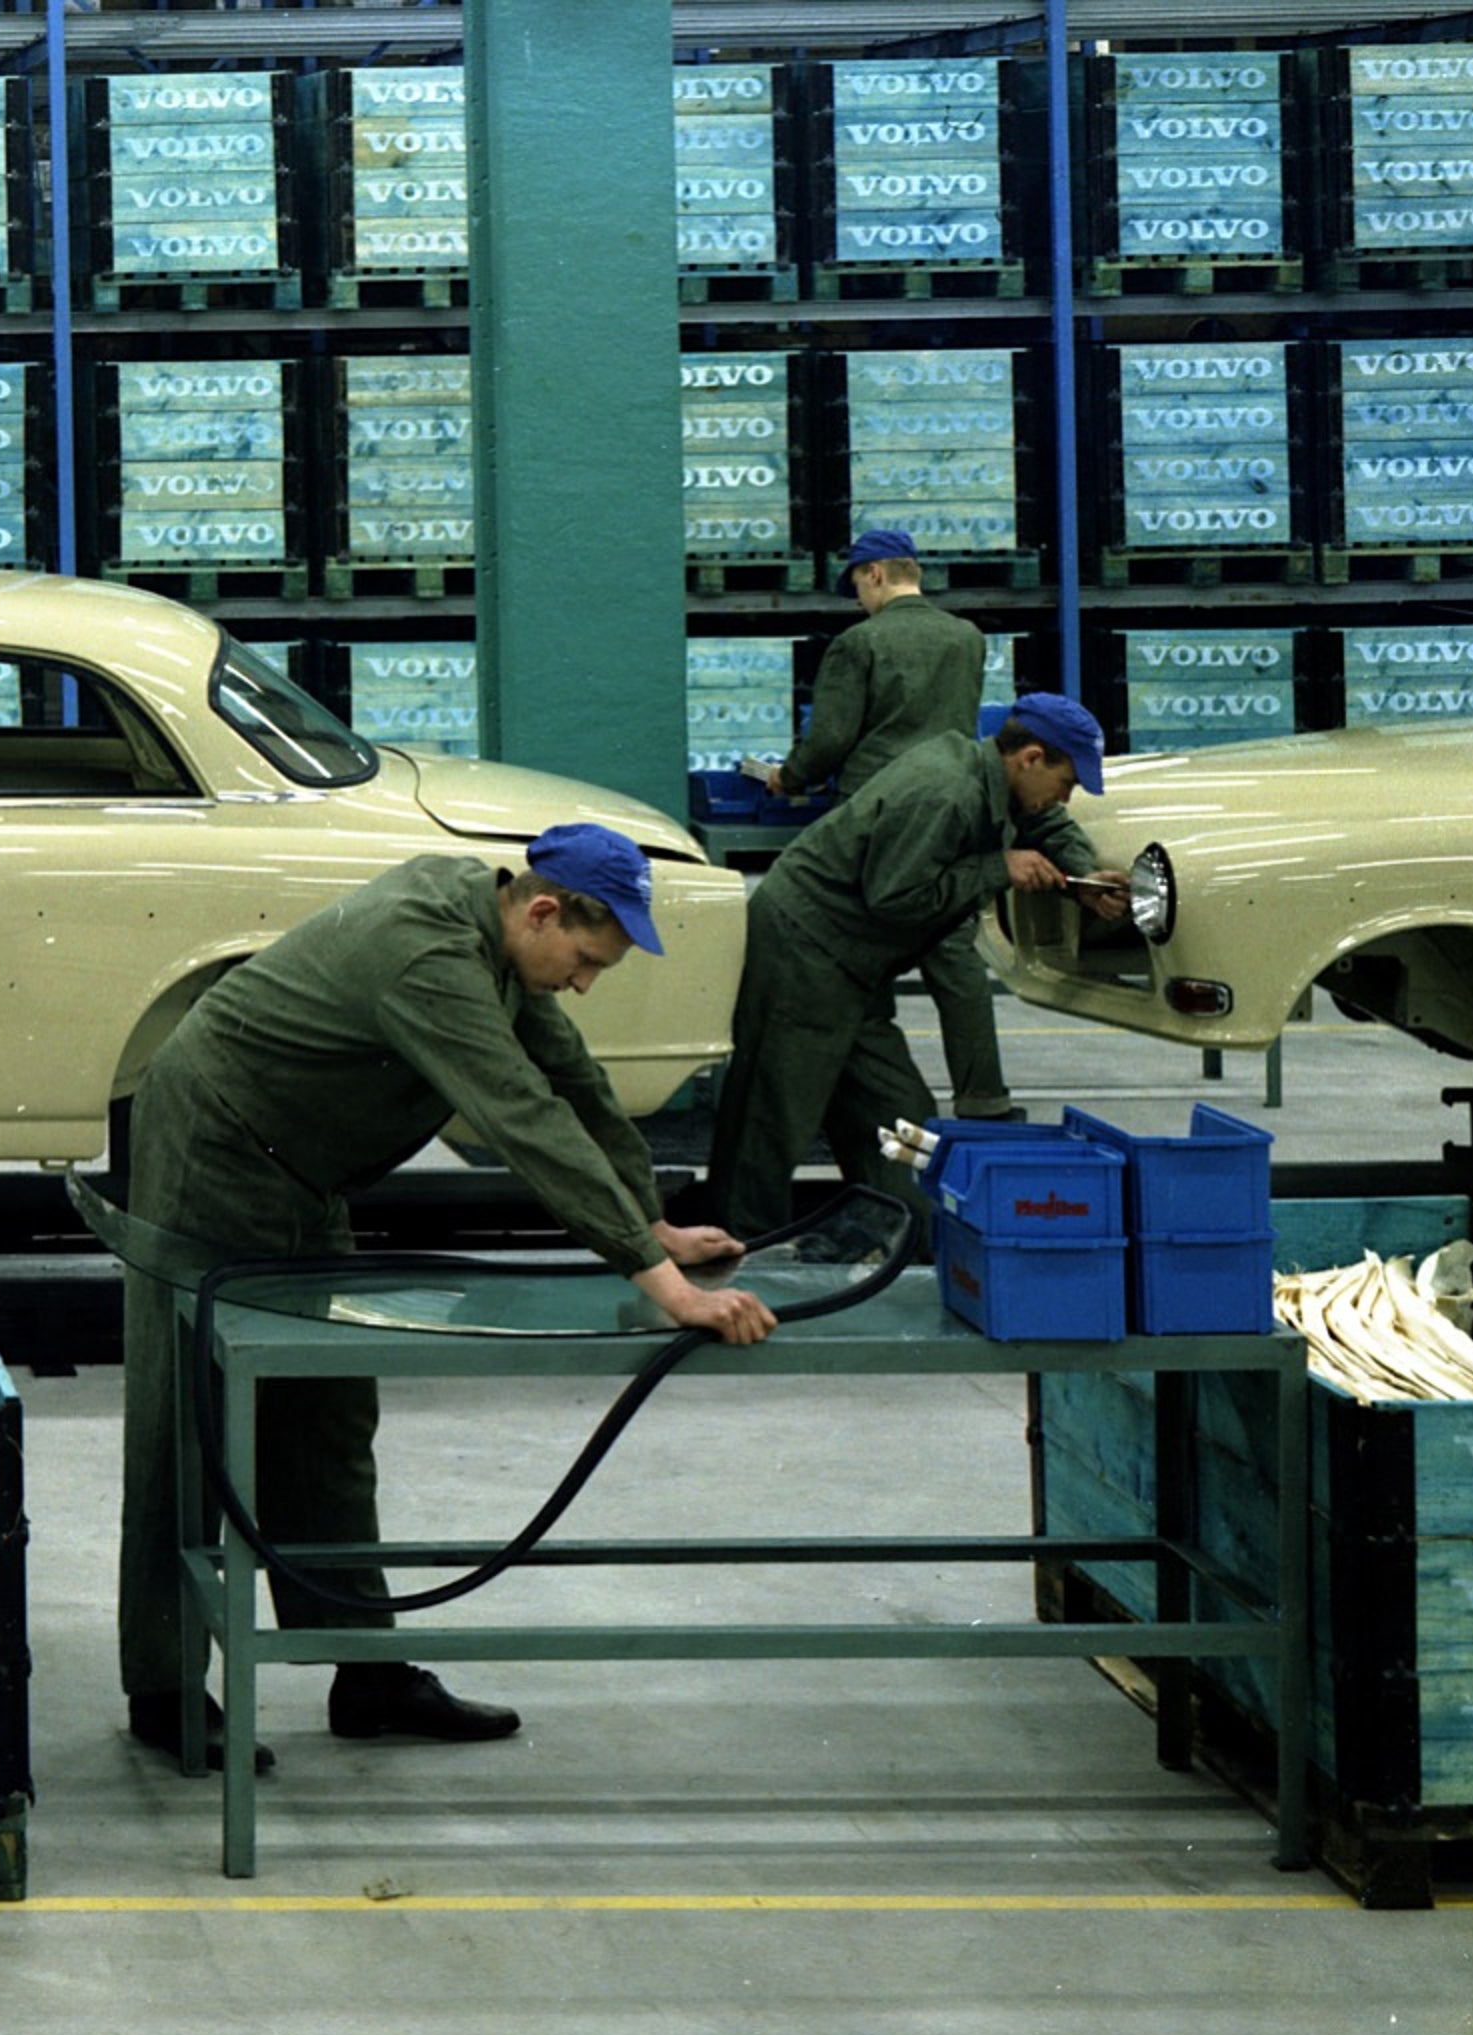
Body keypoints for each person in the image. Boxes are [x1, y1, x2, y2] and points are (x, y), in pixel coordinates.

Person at [113, 826, 776, 1770]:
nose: (584, 982)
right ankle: (167, 1690)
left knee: (330, 1420)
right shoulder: (426, 955)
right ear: (543, 910)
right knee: (193, 1427)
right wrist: (663, 1285)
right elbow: (521, 1116)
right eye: (587, 961)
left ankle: (368, 1674)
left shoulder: (492, 931)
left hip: (303, 1174)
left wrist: (651, 1221)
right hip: (212, 1154)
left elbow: (572, 1082)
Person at [710, 691, 1129, 1245]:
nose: (1065, 797)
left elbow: (1048, 826)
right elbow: (896, 897)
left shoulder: (995, 782)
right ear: (1030, 758)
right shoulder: (944, 792)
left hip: (856, 962)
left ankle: (907, 1241)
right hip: (806, 948)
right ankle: (738, 1252)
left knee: (897, 1114)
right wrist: (996, 869)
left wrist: (1086, 879)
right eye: (1067, 782)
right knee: (775, 1113)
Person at [770, 527, 1018, 1118]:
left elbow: (830, 739)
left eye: (856, 584)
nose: (857, 598)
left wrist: (789, 777)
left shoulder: (860, 645)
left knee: (862, 949)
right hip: (953, 806)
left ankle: (867, 1100)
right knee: (955, 960)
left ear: (875, 574)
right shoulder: (967, 639)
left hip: (876, 814)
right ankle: (983, 1098)